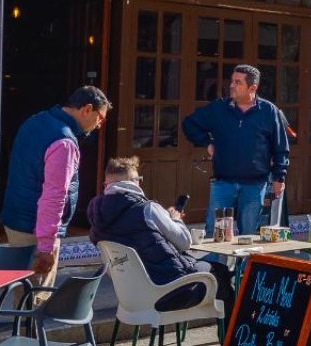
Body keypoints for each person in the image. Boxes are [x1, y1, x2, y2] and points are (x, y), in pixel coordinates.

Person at [1, 85, 110, 285]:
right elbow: (54, 197)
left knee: (21, 293)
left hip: (15, 219)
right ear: (86, 109)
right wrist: (46, 247)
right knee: (37, 298)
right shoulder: (64, 141)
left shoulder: (35, 121)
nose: (100, 125)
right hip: (35, 228)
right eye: (100, 118)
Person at [86, 156, 227, 310]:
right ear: (134, 182)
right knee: (222, 274)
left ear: (107, 184)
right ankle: (239, 333)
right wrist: (175, 220)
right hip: (170, 292)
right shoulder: (148, 209)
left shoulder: (95, 213)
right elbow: (185, 242)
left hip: (130, 296)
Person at [180, 64, 290, 237]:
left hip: (255, 185)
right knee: (215, 235)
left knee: (249, 235)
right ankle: (215, 266)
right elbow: (189, 124)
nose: (231, 85)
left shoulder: (269, 112)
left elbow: (281, 148)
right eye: (232, 81)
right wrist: (207, 143)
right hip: (223, 183)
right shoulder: (218, 108)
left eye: (238, 82)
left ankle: (243, 265)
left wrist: (279, 177)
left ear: (252, 87)